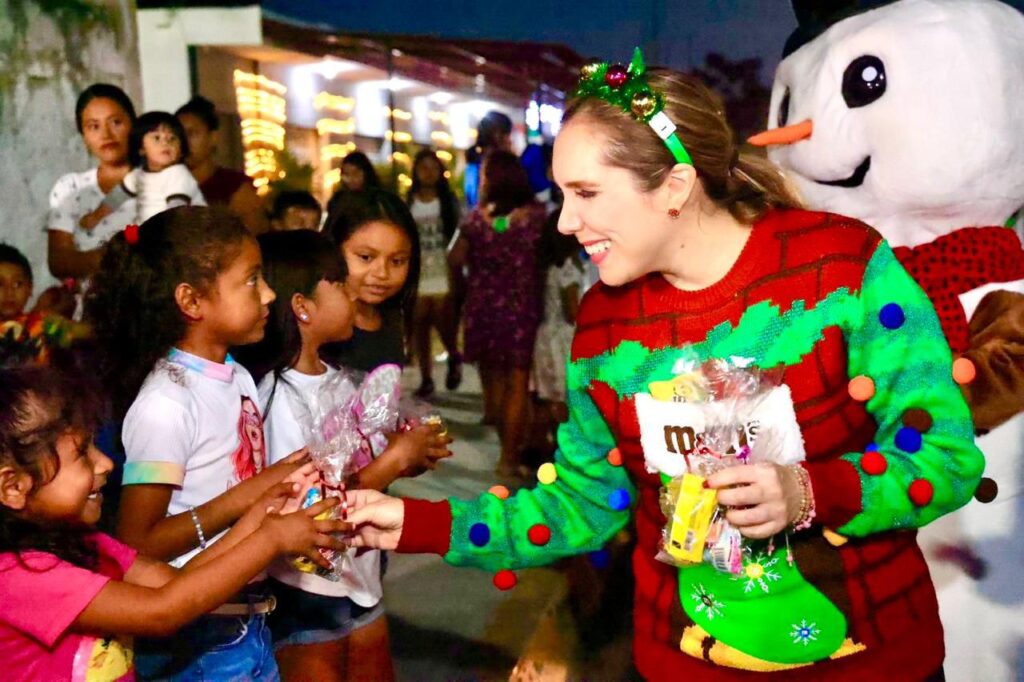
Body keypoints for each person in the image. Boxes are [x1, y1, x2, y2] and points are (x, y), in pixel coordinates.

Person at [343, 52, 983, 681]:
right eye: (563, 193)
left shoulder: (839, 268)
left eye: (587, 192)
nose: (566, 221)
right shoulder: (601, 322)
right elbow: (585, 503)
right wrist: (421, 523)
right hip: (684, 662)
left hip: (875, 660)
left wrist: (811, 492)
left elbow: (946, 459)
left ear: (675, 185)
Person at [86, 206, 319, 679]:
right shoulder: (166, 405)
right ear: (192, 302)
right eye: (252, 280)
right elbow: (137, 544)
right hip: (197, 634)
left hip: (249, 614)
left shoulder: (235, 376)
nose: (270, 293)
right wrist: (247, 499)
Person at [0, 366, 348, 682]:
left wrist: (259, 519)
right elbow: (163, 612)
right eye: (82, 455)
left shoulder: (85, 543)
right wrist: (270, 540)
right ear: (13, 487)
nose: (104, 463)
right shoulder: (20, 577)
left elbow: (178, 585)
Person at [238, 230, 450, 681]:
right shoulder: (275, 397)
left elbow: (353, 467)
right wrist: (391, 462)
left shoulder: (340, 380)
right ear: (302, 307)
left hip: (359, 577)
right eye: (337, 281)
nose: (352, 288)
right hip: (307, 587)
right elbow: (307, 504)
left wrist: (406, 451)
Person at [450, 150, 546, 477]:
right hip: (521, 307)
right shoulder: (535, 216)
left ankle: (507, 455)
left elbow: (454, 258)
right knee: (518, 384)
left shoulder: (476, 220)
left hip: (483, 306)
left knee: (496, 386)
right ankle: (509, 458)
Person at [322, 189, 420, 373]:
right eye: (366, 257)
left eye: (397, 261)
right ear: (334, 249)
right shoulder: (315, 325)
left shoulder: (392, 317)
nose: (382, 273)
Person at [47, 83, 137, 282]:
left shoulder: (160, 181)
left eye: (115, 122)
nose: (106, 134)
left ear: (133, 124)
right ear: (84, 136)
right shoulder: (70, 188)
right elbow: (58, 261)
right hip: (92, 309)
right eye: (93, 126)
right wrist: (112, 257)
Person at [406, 149, 462, 397]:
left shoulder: (447, 201)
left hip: (442, 266)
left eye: (432, 168)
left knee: (442, 317)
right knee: (419, 321)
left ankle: (453, 355)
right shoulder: (409, 201)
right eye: (423, 168)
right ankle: (426, 377)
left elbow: (458, 231)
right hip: (418, 268)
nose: (428, 173)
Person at [86, 111, 205, 225]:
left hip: (182, 233)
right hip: (150, 232)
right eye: (157, 138)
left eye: (172, 139)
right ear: (141, 148)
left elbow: (176, 211)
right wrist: (96, 217)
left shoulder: (178, 174)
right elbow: (116, 197)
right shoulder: (137, 175)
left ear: (181, 151)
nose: (165, 143)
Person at [530, 210, 584, 449]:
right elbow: (572, 310)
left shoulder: (547, 268)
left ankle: (544, 446)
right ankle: (564, 448)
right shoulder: (568, 269)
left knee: (547, 396)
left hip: (544, 336)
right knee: (564, 398)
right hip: (563, 339)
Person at [176, 95, 268, 234]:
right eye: (177, 135)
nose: (183, 142)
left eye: (191, 134)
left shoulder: (236, 188)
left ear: (213, 137)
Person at [464, 111, 513, 208]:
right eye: (507, 135)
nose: (510, 141)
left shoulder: (474, 164)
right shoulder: (482, 165)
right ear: (497, 135)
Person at [326, 152, 381, 220]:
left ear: (366, 173)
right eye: (346, 174)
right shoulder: (338, 200)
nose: (351, 179)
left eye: (355, 173)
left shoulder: (379, 199)